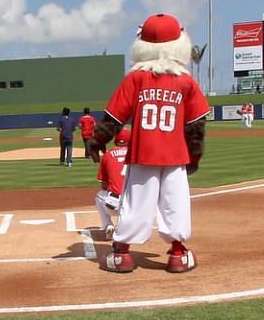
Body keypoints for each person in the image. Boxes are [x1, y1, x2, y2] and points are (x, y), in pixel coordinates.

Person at [90, 14, 210, 273]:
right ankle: (178, 254)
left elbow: (114, 116)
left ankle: (121, 254)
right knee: (175, 203)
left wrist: (98, 140)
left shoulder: (136, 78)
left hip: (143, 154)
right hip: (176, 156)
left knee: (136, 204)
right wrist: (195, 156)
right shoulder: (186, 81)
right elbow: (196, 125)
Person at [92, 128, 131, 237]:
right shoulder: (137, 154)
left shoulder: (108, 154)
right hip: (135, 206)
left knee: (99, 196)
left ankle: (108, 225)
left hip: (114, 205)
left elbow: (104, 185)